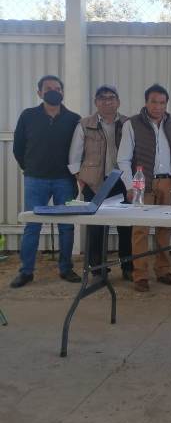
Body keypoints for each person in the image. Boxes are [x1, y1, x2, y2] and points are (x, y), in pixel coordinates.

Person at [10, 75, 82, 288]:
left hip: (64, 181)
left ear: (62, 92)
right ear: (39, 92)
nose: (54, 91)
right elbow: (18, 147)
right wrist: (30, 168)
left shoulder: (74, 119)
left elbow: (79, 150)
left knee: (66, 227)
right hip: (35, 180)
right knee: (32, 226)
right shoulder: (28, 116)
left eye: (57, 88)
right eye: (48, 88)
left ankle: (66, 268)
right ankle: (26, 271)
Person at [117, 84, 171, 292]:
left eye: (162, 102)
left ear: (166, 104)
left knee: (165, 228)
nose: (158, 106)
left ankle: (163, 270)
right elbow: (123, 159)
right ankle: (140, 275)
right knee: (140, 230)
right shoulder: (132, 124)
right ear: (146, 102)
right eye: (153, 102)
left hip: (167, 181)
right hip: (141, 182)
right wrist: (130, 186)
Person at [68, 85, 133, 281]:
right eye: (102, 98)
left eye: (111, 97)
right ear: (96, 102)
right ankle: (97, 268)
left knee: (126, 227)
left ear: (118, 102)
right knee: (96, 227)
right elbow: (74, 156)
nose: (107, 101)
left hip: (121, 181)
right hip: (95, 183)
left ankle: (128, 267)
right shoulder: (84, 124)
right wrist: (81, 178)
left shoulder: (127, 123)